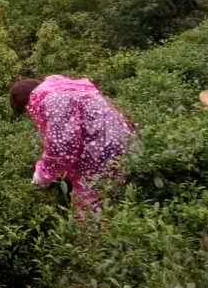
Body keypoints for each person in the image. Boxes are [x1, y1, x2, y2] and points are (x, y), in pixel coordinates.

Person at [10, 75, 134, 214]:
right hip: (124, 145)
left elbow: (63, 146)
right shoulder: (65, 90)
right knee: (120, 200)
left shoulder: (52, 100)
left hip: (103, 154)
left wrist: (43, 174)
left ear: (27, 102)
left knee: (89, 212)